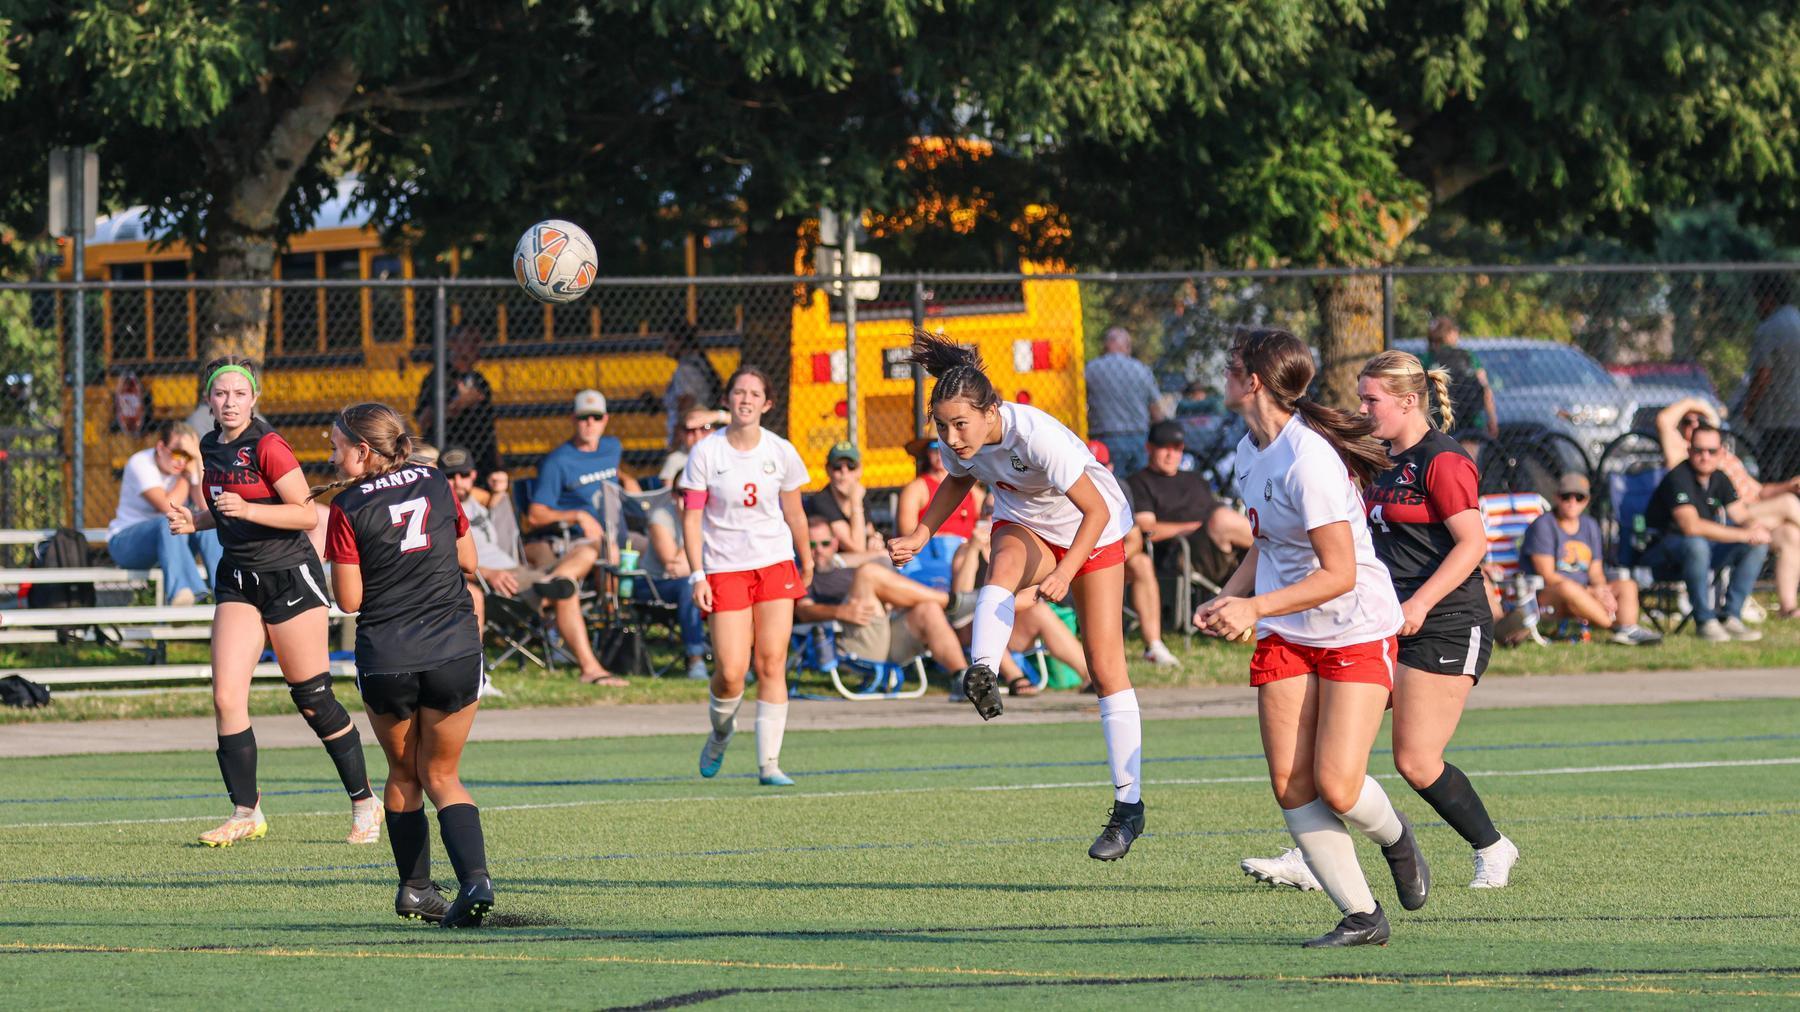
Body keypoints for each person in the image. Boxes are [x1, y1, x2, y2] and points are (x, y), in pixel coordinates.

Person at [1238, 349, 1520, 903]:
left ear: (1409, 401)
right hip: (1375, 621)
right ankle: (1315, 855)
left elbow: (1473, 544)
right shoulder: (1372, 457)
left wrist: (1420, 605)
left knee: (1414, 760)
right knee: (1324, 750)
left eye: (1373, 400)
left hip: (1443, 623)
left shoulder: (1442, 460)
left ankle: (1492, 845)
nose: (1364, 410)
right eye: (1360, 399)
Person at [1194, 330, 1426, 948]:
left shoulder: (1310, 460)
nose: (1224, 371)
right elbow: (1267, 543)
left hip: (1353, 626)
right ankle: (1362, 916)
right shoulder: (1250, 450)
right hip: (1287, 630)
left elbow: (1339, 574)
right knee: (1291, 783)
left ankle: (1398, 838)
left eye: (1232, 365)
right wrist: (1229, 595)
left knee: (1339, 786)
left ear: (1254, 383)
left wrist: (1253, 605)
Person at [888, 332, 1146, 861]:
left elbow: (1095, 512)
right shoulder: (957, 442)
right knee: (999, 568)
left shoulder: (1036, 436)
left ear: (992, 412)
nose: (953, 437)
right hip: (1025, 520)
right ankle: (981, 669)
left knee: (1105, 666)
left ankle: (1129, 807)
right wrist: (921, 534)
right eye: (943, 426)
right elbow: (957, 482)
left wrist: (1065, 572)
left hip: (1090, 529)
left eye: (961, 424)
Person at [166, 356, 377, 848]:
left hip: (288, 578)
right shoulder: (209, 445)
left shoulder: (268, 445)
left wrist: (248, 510)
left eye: (240, 394)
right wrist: (195, 521)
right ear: (209, 400)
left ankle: (365, 802)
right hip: (238, 578)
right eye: (221, 394)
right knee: (225, 697)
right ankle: (246, 810)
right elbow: (226, 509)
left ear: (254, 399)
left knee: (312, 699)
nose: (230, 402)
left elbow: (305, 516)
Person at [316, 404, 493, 928]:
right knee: (443, 774)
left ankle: (416, 888)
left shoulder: (348, 506)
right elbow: (470, 560)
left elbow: (348, 599)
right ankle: (475, 880)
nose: (330, 456)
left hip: (389, 656)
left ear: (363, 451)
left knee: (403, 774)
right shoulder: (438, 480)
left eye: (336, 447)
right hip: (454, 648)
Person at [680, 366, 812, 786]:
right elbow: (692, 517)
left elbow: (794, 512)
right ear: (728, 400)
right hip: (724, 568)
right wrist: (698, 574)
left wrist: (805, 558)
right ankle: (721, 732)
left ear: (767, 403)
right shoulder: (706, 452)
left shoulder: (780, 451)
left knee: (772, 661)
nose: (746, 399)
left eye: (755, 393)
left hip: (773, 561)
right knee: (732, 671)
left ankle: (769, 764)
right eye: (739, 392)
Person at [446, 447, 621, 686]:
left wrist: (498, 493)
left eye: (463, 475)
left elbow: (502, 533)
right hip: (498, 580)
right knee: (566, 593)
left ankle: (555, 580)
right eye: (450, 476)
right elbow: (447, 555)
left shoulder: (476, 505)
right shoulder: (442, 509)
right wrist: (487, 573)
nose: (458, 482)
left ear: (473, 476)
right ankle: (590, 668)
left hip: (520, 571)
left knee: (591, 547)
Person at [1657, 398, 1800, 618]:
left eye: (1701, 421)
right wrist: (1695, 403)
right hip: (1726, 518)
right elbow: (1664, 421)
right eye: (1689, 422)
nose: (1696, 425)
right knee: (1789, 504)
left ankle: (1788, 608)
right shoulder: (1684, 455)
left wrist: (1790, 485)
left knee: (1791, 534)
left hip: (1751, 513)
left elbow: (1759, 491)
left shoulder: (1723, 458)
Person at [1126, 420, 1254, 662]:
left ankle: (1276, 550)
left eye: (1177, 447)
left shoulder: (1195, 480)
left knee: (1226, 519)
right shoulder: (1139, 482)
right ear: (1149, 448)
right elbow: (1146, 529)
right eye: (1164, 447)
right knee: (1223, 521)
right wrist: (1190, 528)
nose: (1171, 454)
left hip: (1221, 549)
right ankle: (1285, 547)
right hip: (1178, 555)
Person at [1638, 421, 1772, 641]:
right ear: (1689, 450)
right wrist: (1743, 533)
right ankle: (1704, 621)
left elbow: (1741, 514)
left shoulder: (1719, 477)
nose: (1705, 457)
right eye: (1699, 450)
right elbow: (1691, 526)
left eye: (1711, 451)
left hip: (1702, 552)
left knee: (1756, 545)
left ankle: (1731, 617)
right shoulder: (1677, 477)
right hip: (1663, 553)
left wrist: (1755, 529)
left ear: (1721, 452)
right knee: (1696, 543)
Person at [798, 516, 977, 679]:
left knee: (928, 609)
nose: (819, 550)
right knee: (867, 573)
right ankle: (951, 603)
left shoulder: (842, 564)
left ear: (835, 543)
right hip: (856, 638)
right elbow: (803, 611)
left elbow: (882, 555)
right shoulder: (805, 575)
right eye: (812, 546)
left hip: (888, 633)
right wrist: (840, 611)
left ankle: (964, 679)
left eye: (825, 543)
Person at [1523, 473, 1663, 645]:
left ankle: (1628, 628)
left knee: (1627, 585)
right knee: (1568, 588)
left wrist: (1602, 591)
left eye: (1579, 497)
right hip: (1549, 596)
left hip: (1586, 593)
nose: (1572, 501)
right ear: (1556, 497)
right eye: (1566, 496)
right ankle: (1618, 628)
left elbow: (1596, 572)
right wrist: (1590, 591)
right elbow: (1547, 575)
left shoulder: (1590, 526)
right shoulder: (1543, 525)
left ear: (1587, 500)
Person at [107, 420, 222, 605]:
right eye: (178, 452)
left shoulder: (187, 466)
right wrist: (186, 476)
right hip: (126, 544)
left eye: (188, 456)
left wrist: (198, 463)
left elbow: (205, 507)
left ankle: (225, 592)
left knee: (208, 525)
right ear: (160, 447)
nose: (181, 461)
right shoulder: (141, 463)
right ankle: (182, 592)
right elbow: (167, 506)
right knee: (168, 521)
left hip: (172, 545)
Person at [526, 389, 639, 564]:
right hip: (580, 539)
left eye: (596, 417)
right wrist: (578, 516)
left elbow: (612, 472)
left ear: (605, 420)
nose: (590, 423)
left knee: (658, 544)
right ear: (573, 419)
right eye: (583, 417)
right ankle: (610, 593)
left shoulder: (613, 447)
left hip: (619, 531)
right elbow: (535, 516)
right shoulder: (557, 462)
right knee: (611, 552)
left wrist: (627, 480)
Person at [639, 482, 712, 681]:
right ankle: (695, 658)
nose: (686, 500)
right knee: (691, 585)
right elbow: (674, 568)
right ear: (672, 495)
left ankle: (742, 663)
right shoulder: (661, 517)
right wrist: (690, 522)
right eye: (681, 493)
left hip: (699, 581)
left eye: (694, 494)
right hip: (655, 584)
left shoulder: (712, 516)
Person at [895, 436, 980, 591]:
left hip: (967, 556)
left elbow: (987, 524)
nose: (940, 453)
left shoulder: (975, 492)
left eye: (946, 447)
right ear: (928, 453)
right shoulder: (917, 488)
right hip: (931, 555)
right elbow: (907, 531)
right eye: (935, 447)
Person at [414, 325, 500, 478]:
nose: (475, 346)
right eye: (469, 340)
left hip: (480, 458)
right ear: (454, 343)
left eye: (477, 341)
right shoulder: (438, 379)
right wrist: (458, 405)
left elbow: (490, 428)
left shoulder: (480, 381)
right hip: (450, 457)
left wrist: (497, 462)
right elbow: (423, 420)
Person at [1084, 325, 1164, 478]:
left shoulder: (1091, 369)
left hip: (1105, 436)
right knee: (1140, 483)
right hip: (1138, 437)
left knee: (1111, 484)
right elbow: (1156, 409)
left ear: (1106, 344)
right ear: (1127, 347)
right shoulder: (1142, 370)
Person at [1746, 278, 1800, 482]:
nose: (1757, 308)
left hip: (1777, 417)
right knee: (1795, 473)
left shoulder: (1769, 328)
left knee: (1770, 474)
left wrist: (1750, 407)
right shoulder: (1797, 319)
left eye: (1758, 301)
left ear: (1768, 299)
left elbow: (1763, 373)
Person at [1423, 316, 1500, 441]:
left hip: (1438, 421)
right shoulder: (1467, 356)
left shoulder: (1427, 359)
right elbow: (1485, 389)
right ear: (1450, 333)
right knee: (1468, 458)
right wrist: (1492, 419)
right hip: (1470, 420)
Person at [661, 322, 726, 445]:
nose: (665, 344)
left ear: (680, 342)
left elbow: (686, 403)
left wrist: (676, 441)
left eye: (667, 339)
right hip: (704, 431)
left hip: (692, 436)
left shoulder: (686, 369)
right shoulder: (697, 363)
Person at [808, 441, 869, 552]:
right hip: (830, 562)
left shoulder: (861, 495)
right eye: (837, 467)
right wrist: (855, 502)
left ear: (859, 470)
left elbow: (869, 530)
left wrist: (875, 539)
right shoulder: (821, 500)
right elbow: (857, 548)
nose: (844, 472)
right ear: (828, 470)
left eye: (851, 466)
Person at [659, 407, 726, 486]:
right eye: (690, 430)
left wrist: (720, 416)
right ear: (681, 433)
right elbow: (669, 494)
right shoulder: (675, 460)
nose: (698, 435)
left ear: (716, 430)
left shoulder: (724, 456)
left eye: (705, 427)